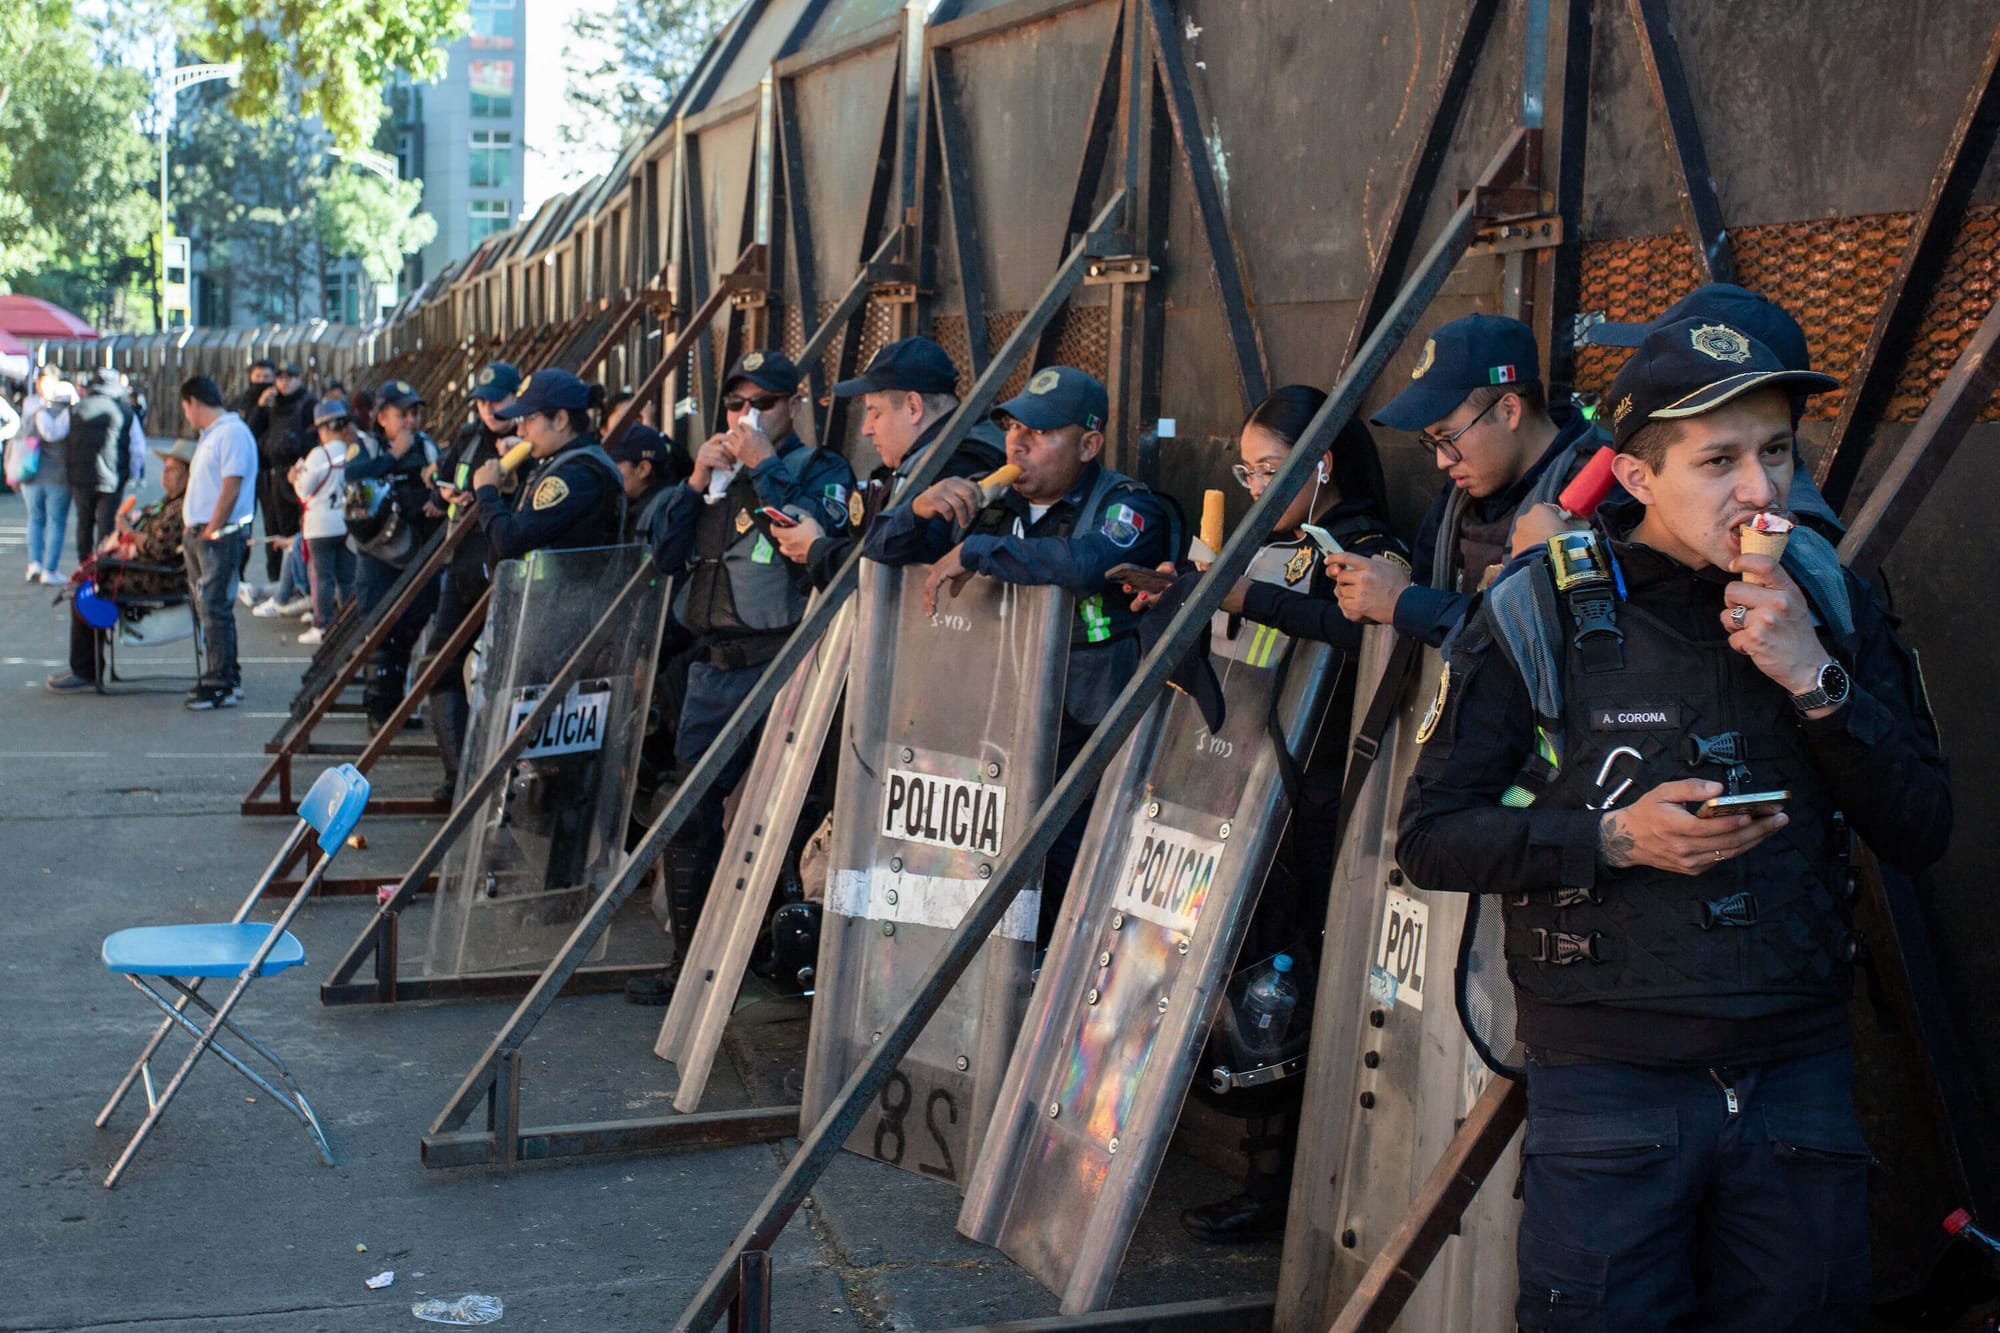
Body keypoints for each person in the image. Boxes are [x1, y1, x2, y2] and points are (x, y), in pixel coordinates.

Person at [1396, 318, 1952, 1332]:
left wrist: (1814, 681)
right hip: (1609, 1088)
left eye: (1775, 451)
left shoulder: (1830, 602)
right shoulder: (1538, 611)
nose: (1759, 490)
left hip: (1797, 1079)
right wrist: (1615, 838)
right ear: (1637, 477)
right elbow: (1430, 837)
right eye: (1719, 460)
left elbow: (1920, 830)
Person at [1129, 386, 1409, 1242]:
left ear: (1320, 464)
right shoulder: (1270, 545)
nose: (1253, 487)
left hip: (1327, 796)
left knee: (1304, 988)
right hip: (1251, 785)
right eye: (1244, 471)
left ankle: (1287, 1184)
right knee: (1254, 981)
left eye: (1268, 469)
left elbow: (1360, 631)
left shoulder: (1366, 547)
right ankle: (1255, 1160)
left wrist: (1241, 597)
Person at [863, 364, 1178, 934]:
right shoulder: (985, 500)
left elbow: (1087, 563)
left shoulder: (1127, 504)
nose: (1019, 442)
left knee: (1061, 875)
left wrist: (982, 550)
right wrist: (918, 510)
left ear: (1089, 444)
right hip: (985, 729)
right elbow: (880, 551)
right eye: (1013, 426)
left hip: (1082, 738)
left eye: (1041, 432)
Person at [626, 348, 858, 1003]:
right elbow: (664, 556)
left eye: (763, 403)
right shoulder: (714, 481)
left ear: (793, 406)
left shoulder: (816, 469)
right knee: (688, 806)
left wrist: (765, 465)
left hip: (782, 663)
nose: (746, 416)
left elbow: (823, 542)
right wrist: (697, 480)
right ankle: (688, 962)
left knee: (786, 811)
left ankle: (782, 952)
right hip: (712, 671)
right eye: (737, 404)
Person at [1330, 314, 1608, 645]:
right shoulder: (1459, 496)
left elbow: (1565, 636)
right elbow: (1423, 590)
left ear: (1509, 411)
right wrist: (1375, 594)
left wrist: (1404, 603)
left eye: (1448, 436)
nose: (1442, 460)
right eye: (1432, 441)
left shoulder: (1600, 489)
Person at [768, 336, 1006, 587]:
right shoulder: (941, 457)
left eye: (875, 412)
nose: (866, 429)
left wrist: (817, 549)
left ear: (913, 407)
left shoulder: (957, 465)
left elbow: (901, 572)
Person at [423, 361, 523, 799]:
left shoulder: (530, 442)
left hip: (506, 568)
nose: (488, 409)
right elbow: (438, 482)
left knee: (506, 673)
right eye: (482, 401)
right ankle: (457, 774)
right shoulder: (467, 437)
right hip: (462, 565)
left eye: (497, 399)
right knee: (439, 666)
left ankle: (503, 780)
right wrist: (445, 494)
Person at [45, 438, 193, 693]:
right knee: (90, 578)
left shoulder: (183, 507)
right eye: (165, 469)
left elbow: (161, 550)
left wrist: (128, 531)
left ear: (189, 475)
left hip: (161, 576)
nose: (164, 476)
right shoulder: (171, 501)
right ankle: (87, 666)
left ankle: (86, 670)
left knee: (90, 589)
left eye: (172, 470)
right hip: (147, 566)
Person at [344, 378, 439, 728]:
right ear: (381, 416)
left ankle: (397, 710)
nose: (411, 421)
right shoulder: (366, 447)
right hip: (378, 553)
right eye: (403, 413)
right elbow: (353, 477)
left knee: (409, 629)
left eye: (415, 412)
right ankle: (378, 711)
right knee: (380, 632)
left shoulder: (426, 447)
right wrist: (392, 457)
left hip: (415, 551)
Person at [474, 369, 626, 556]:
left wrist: (486, 492)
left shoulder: (576, 475)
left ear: (560, 420)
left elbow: (509, 541)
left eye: (528, 419)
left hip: (572, 585)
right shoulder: (568, 463)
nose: (520, 431)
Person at [177, 376, 258, 709]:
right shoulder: (214, 435)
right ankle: (226, 672)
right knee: (211, 607)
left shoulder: (231, 433)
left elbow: (231, 485)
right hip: (204, 533)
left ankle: (219, 680)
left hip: (218, 536)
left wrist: (213, 526)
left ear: (193, 402)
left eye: (185, 408)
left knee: (214, 607)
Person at [290, 398, 357, 646]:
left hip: (319, 526)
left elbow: (304, 490)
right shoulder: (353, 450)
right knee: (347, 578)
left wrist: (294, 479)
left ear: (326, 428)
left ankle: (322, 624)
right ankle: (351, 623)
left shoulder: (319, 455)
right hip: (345, 522)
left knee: (322, 577)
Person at [248, 361, 316, 582]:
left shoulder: (307, 404)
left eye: (289, 377)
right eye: (280, 378)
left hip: (297, 477)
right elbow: (250, 435)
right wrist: (260, 408)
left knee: (294, 533)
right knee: (273, 533)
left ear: (299, 379)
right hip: (272, 478)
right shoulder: (270, 404)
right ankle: (276, 582)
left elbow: (314, 440)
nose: (284, 382)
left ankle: (297, 583)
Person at [68, 367, 139, 570]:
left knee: (84, 521)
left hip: (80, 476)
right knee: (107, 525)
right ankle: (103, 568)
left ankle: (84, 566)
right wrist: (132, 474)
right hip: (112, 478)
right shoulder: (125, 412)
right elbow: (137, 448)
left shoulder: (76, 409)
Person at [19, 364, 75, 584]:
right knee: (56, 521)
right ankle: (49, 569)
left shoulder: (28, 406)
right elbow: (52, 434)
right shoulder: (64, 409)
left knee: (35, 519)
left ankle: (35, 563)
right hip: (58, 475)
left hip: (29, 472)